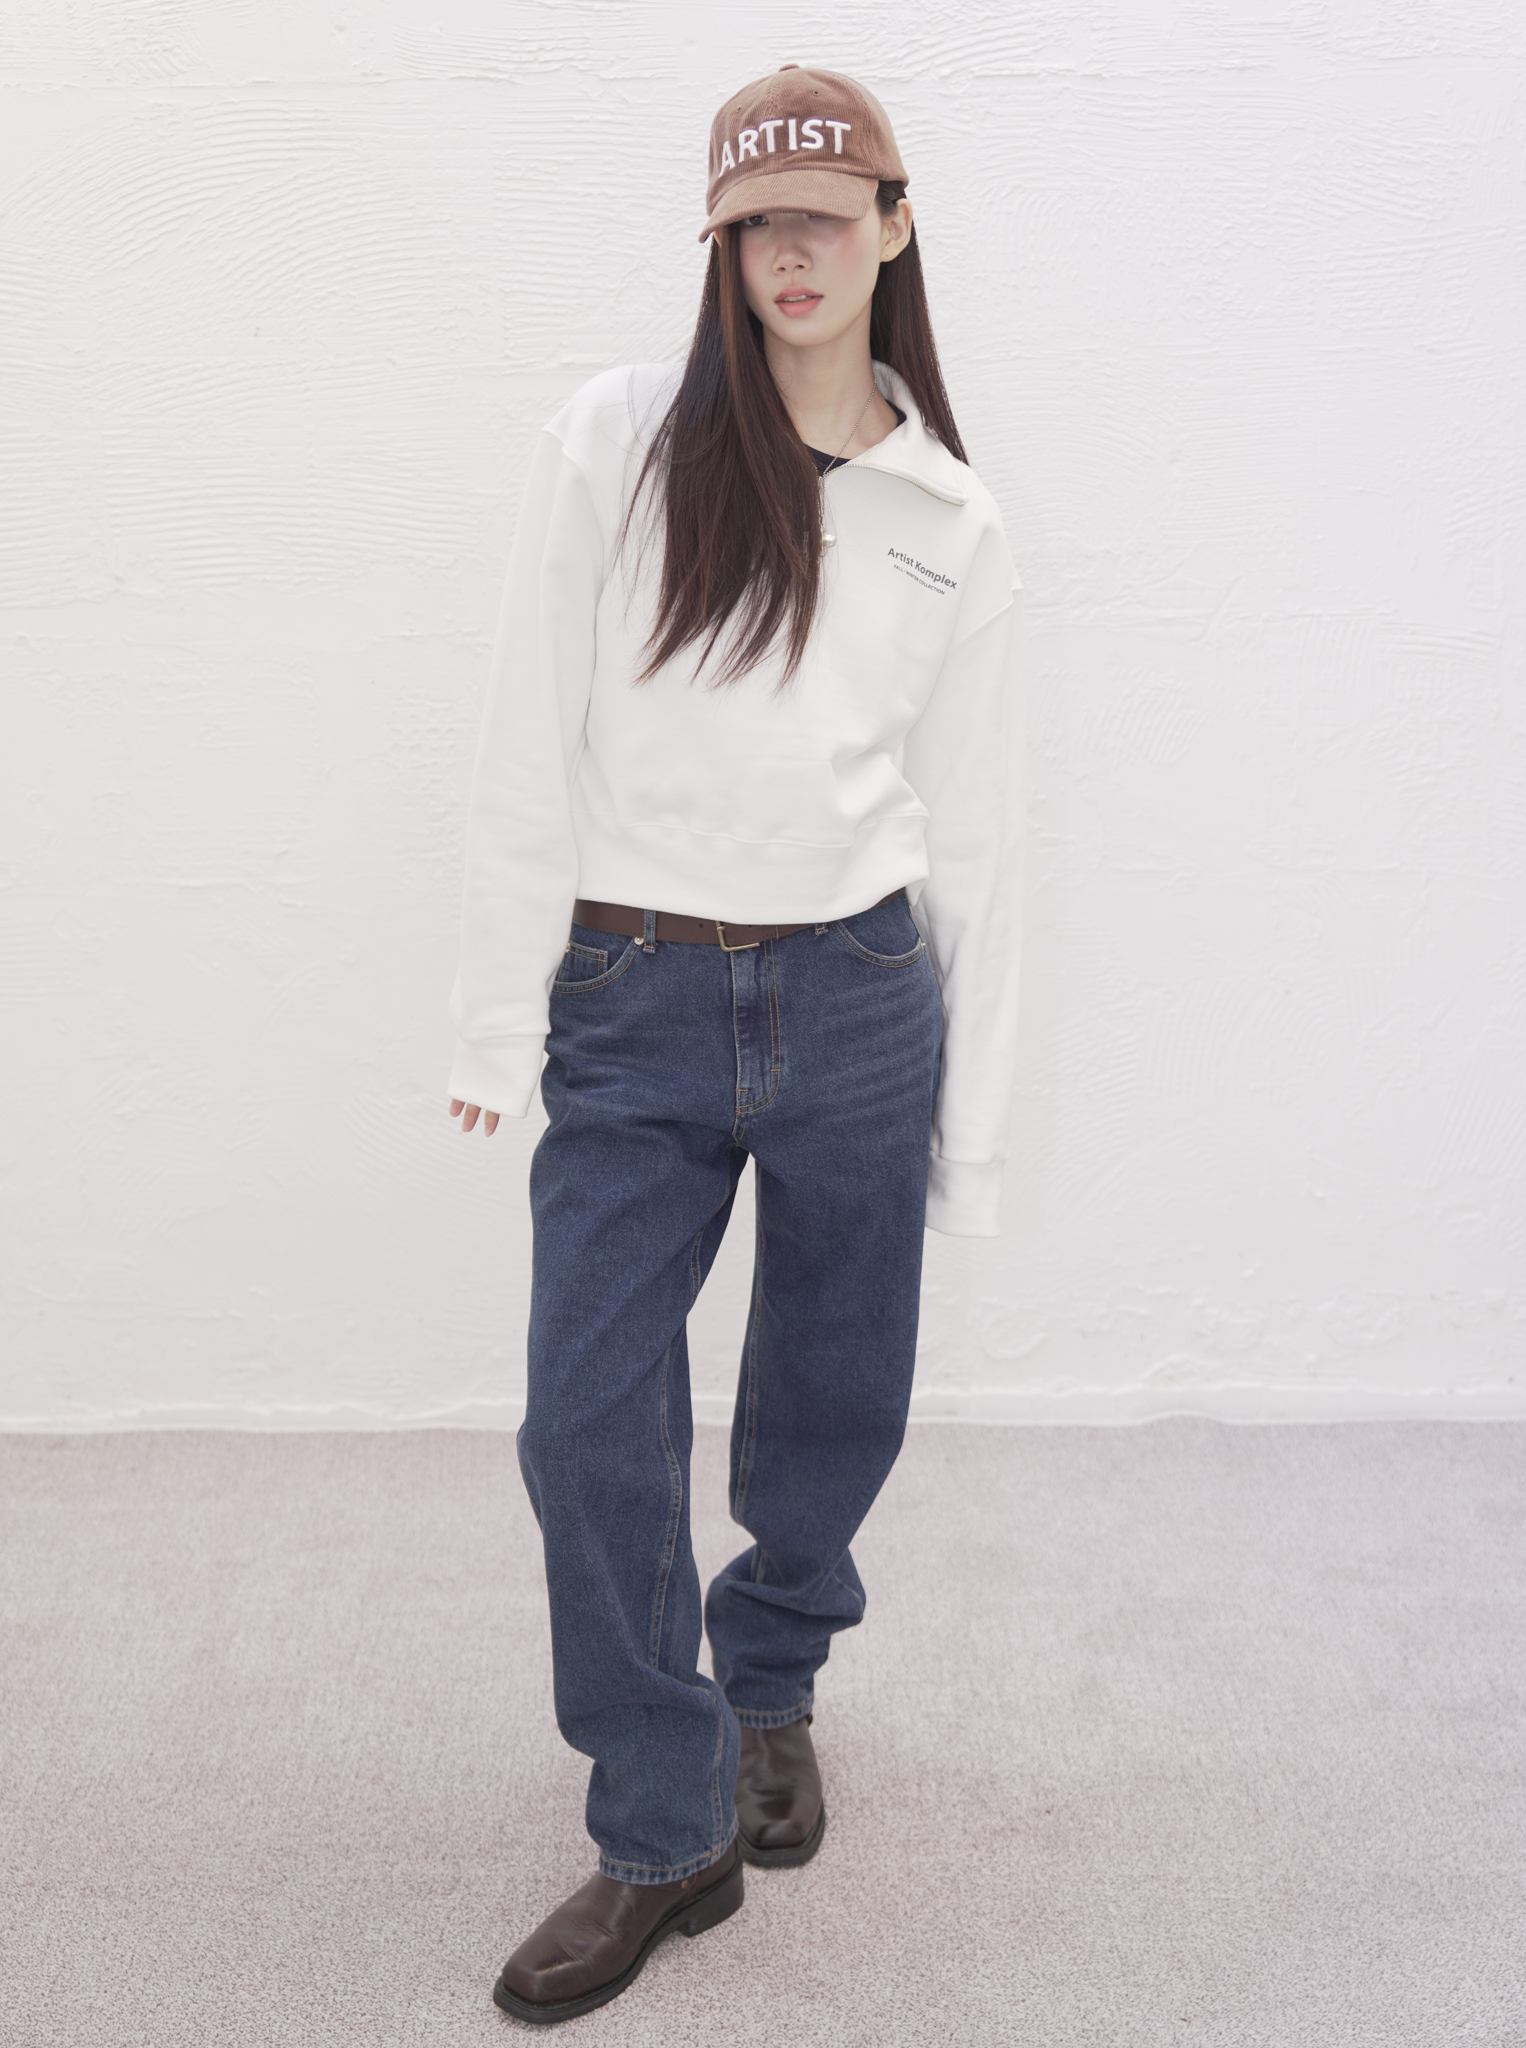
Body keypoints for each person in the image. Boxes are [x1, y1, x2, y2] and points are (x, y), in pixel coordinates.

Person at [446, 60, 1022, 2026]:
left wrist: (977, 1125)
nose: (793, 254)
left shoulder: (948, 515)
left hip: (862, 997)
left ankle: (770, 1673)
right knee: (581, 1414)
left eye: (826, 216)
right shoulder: (618, 442)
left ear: (893, 227)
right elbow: (525, 736)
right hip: (637, 993)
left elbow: (980, 838)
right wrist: (490, 1014)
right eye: (757, 223)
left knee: (831, 1395)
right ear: (720, 244)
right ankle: (661, 1820)